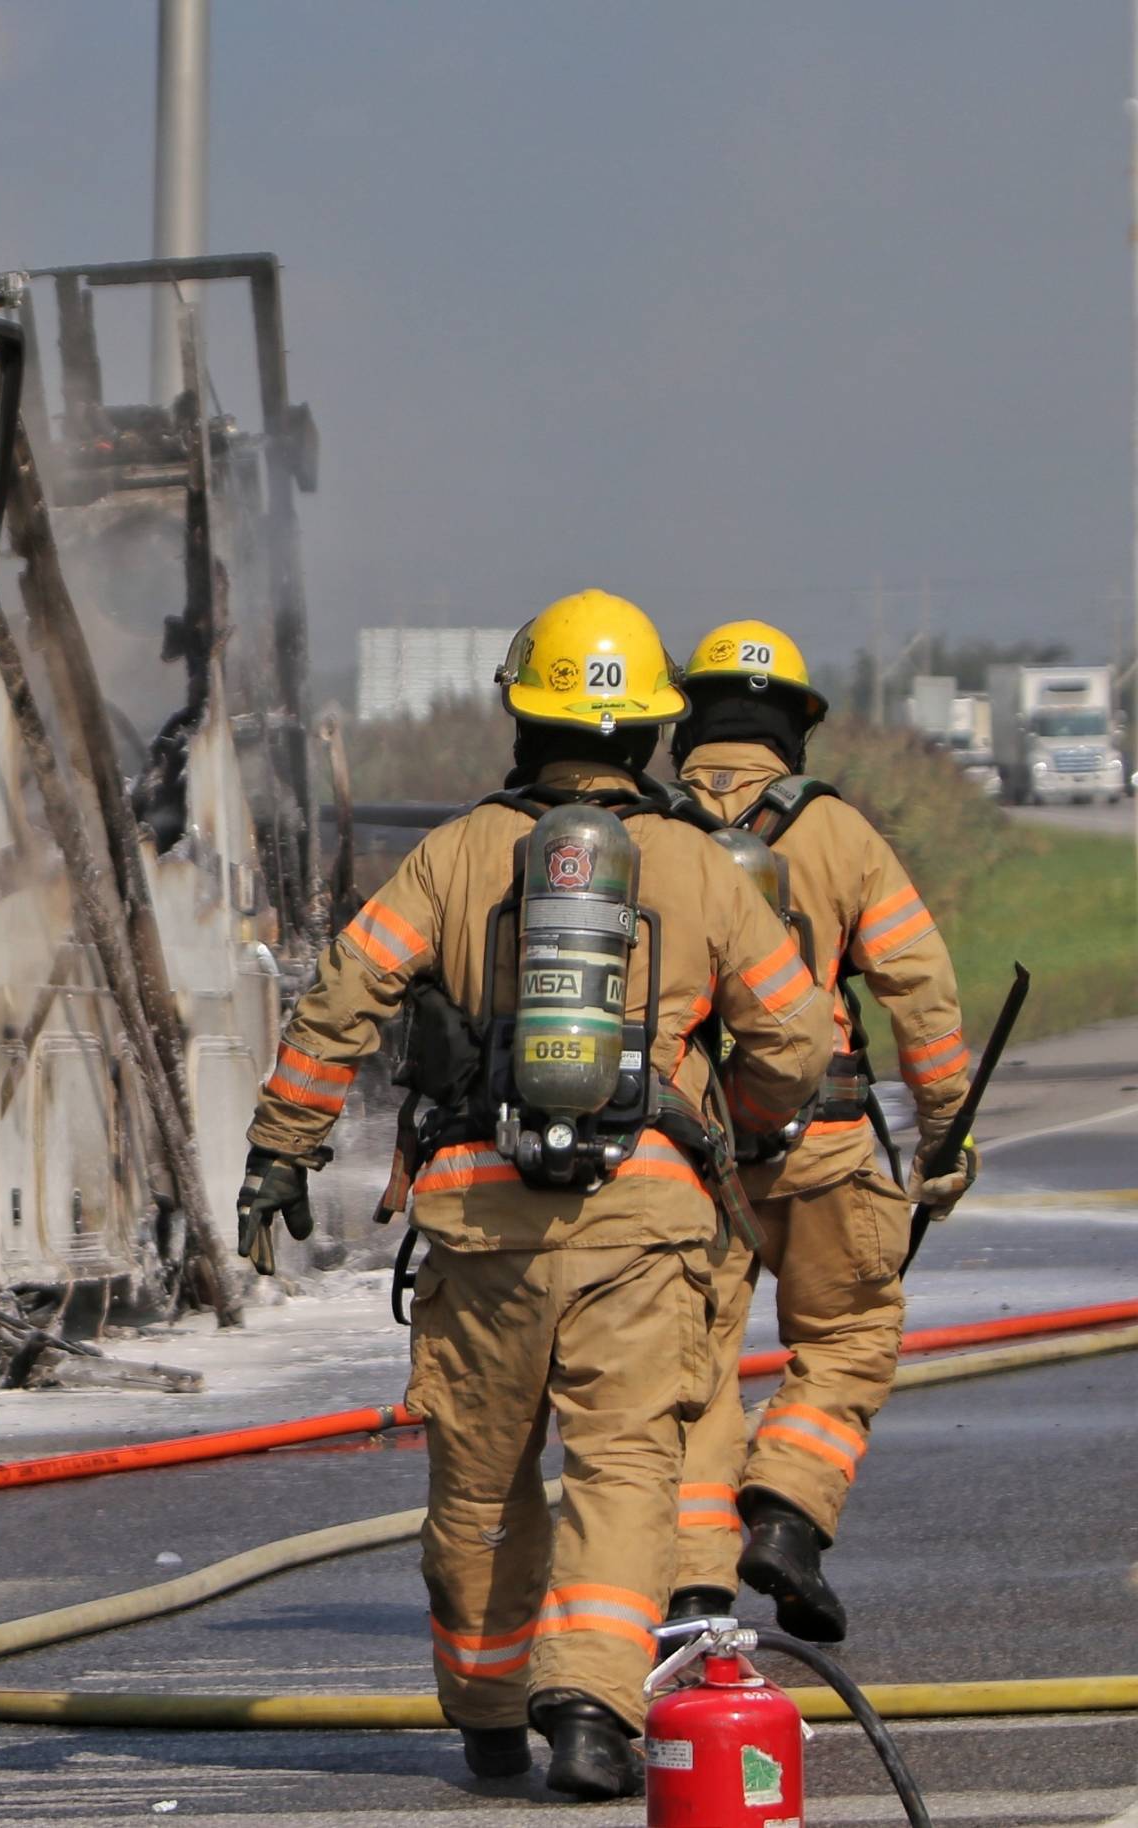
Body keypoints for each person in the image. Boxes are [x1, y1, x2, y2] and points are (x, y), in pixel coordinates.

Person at [237, 590, 832, 1800]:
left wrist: (281, 1147)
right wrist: (751, 1132)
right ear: (649, 731)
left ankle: (488, 1718)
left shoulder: (456, 855)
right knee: (625, 1470)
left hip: (480, 1226)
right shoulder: (698, 868)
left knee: (477, 1484)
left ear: (522, 714)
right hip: (647, 1227)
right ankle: (592, 1712)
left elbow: (341, 995)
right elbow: (794, 1034)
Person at [664, 620, 976, 1641]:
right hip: (819, 1144)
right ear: (796, 723)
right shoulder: (835, 832)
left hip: (678, 1157)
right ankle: (789, 1512)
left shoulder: (645, 829)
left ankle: (694, 1593)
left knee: (693, 1375)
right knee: (847, 1333)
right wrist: (942, 1136)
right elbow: (917, 991)